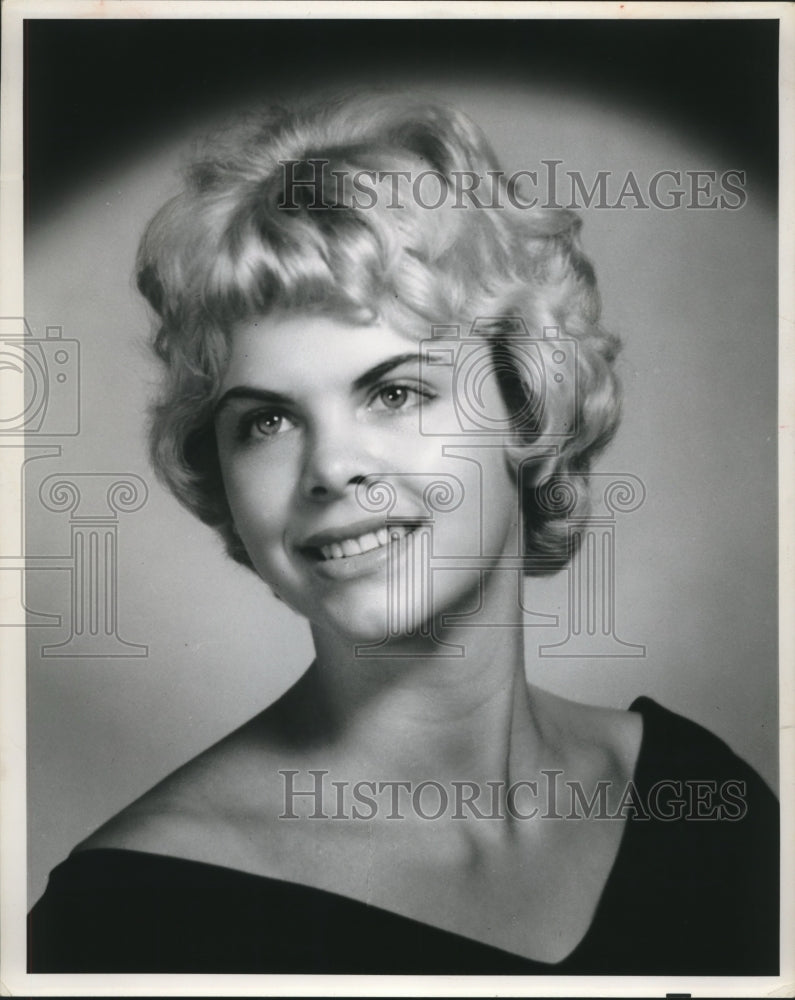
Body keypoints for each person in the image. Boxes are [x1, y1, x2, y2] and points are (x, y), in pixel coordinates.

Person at [28, 94, 778, 975]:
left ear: (525, 403)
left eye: (394, 392)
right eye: (265, 421)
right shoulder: (130, 923)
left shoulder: (697, 798)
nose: (330, 468)